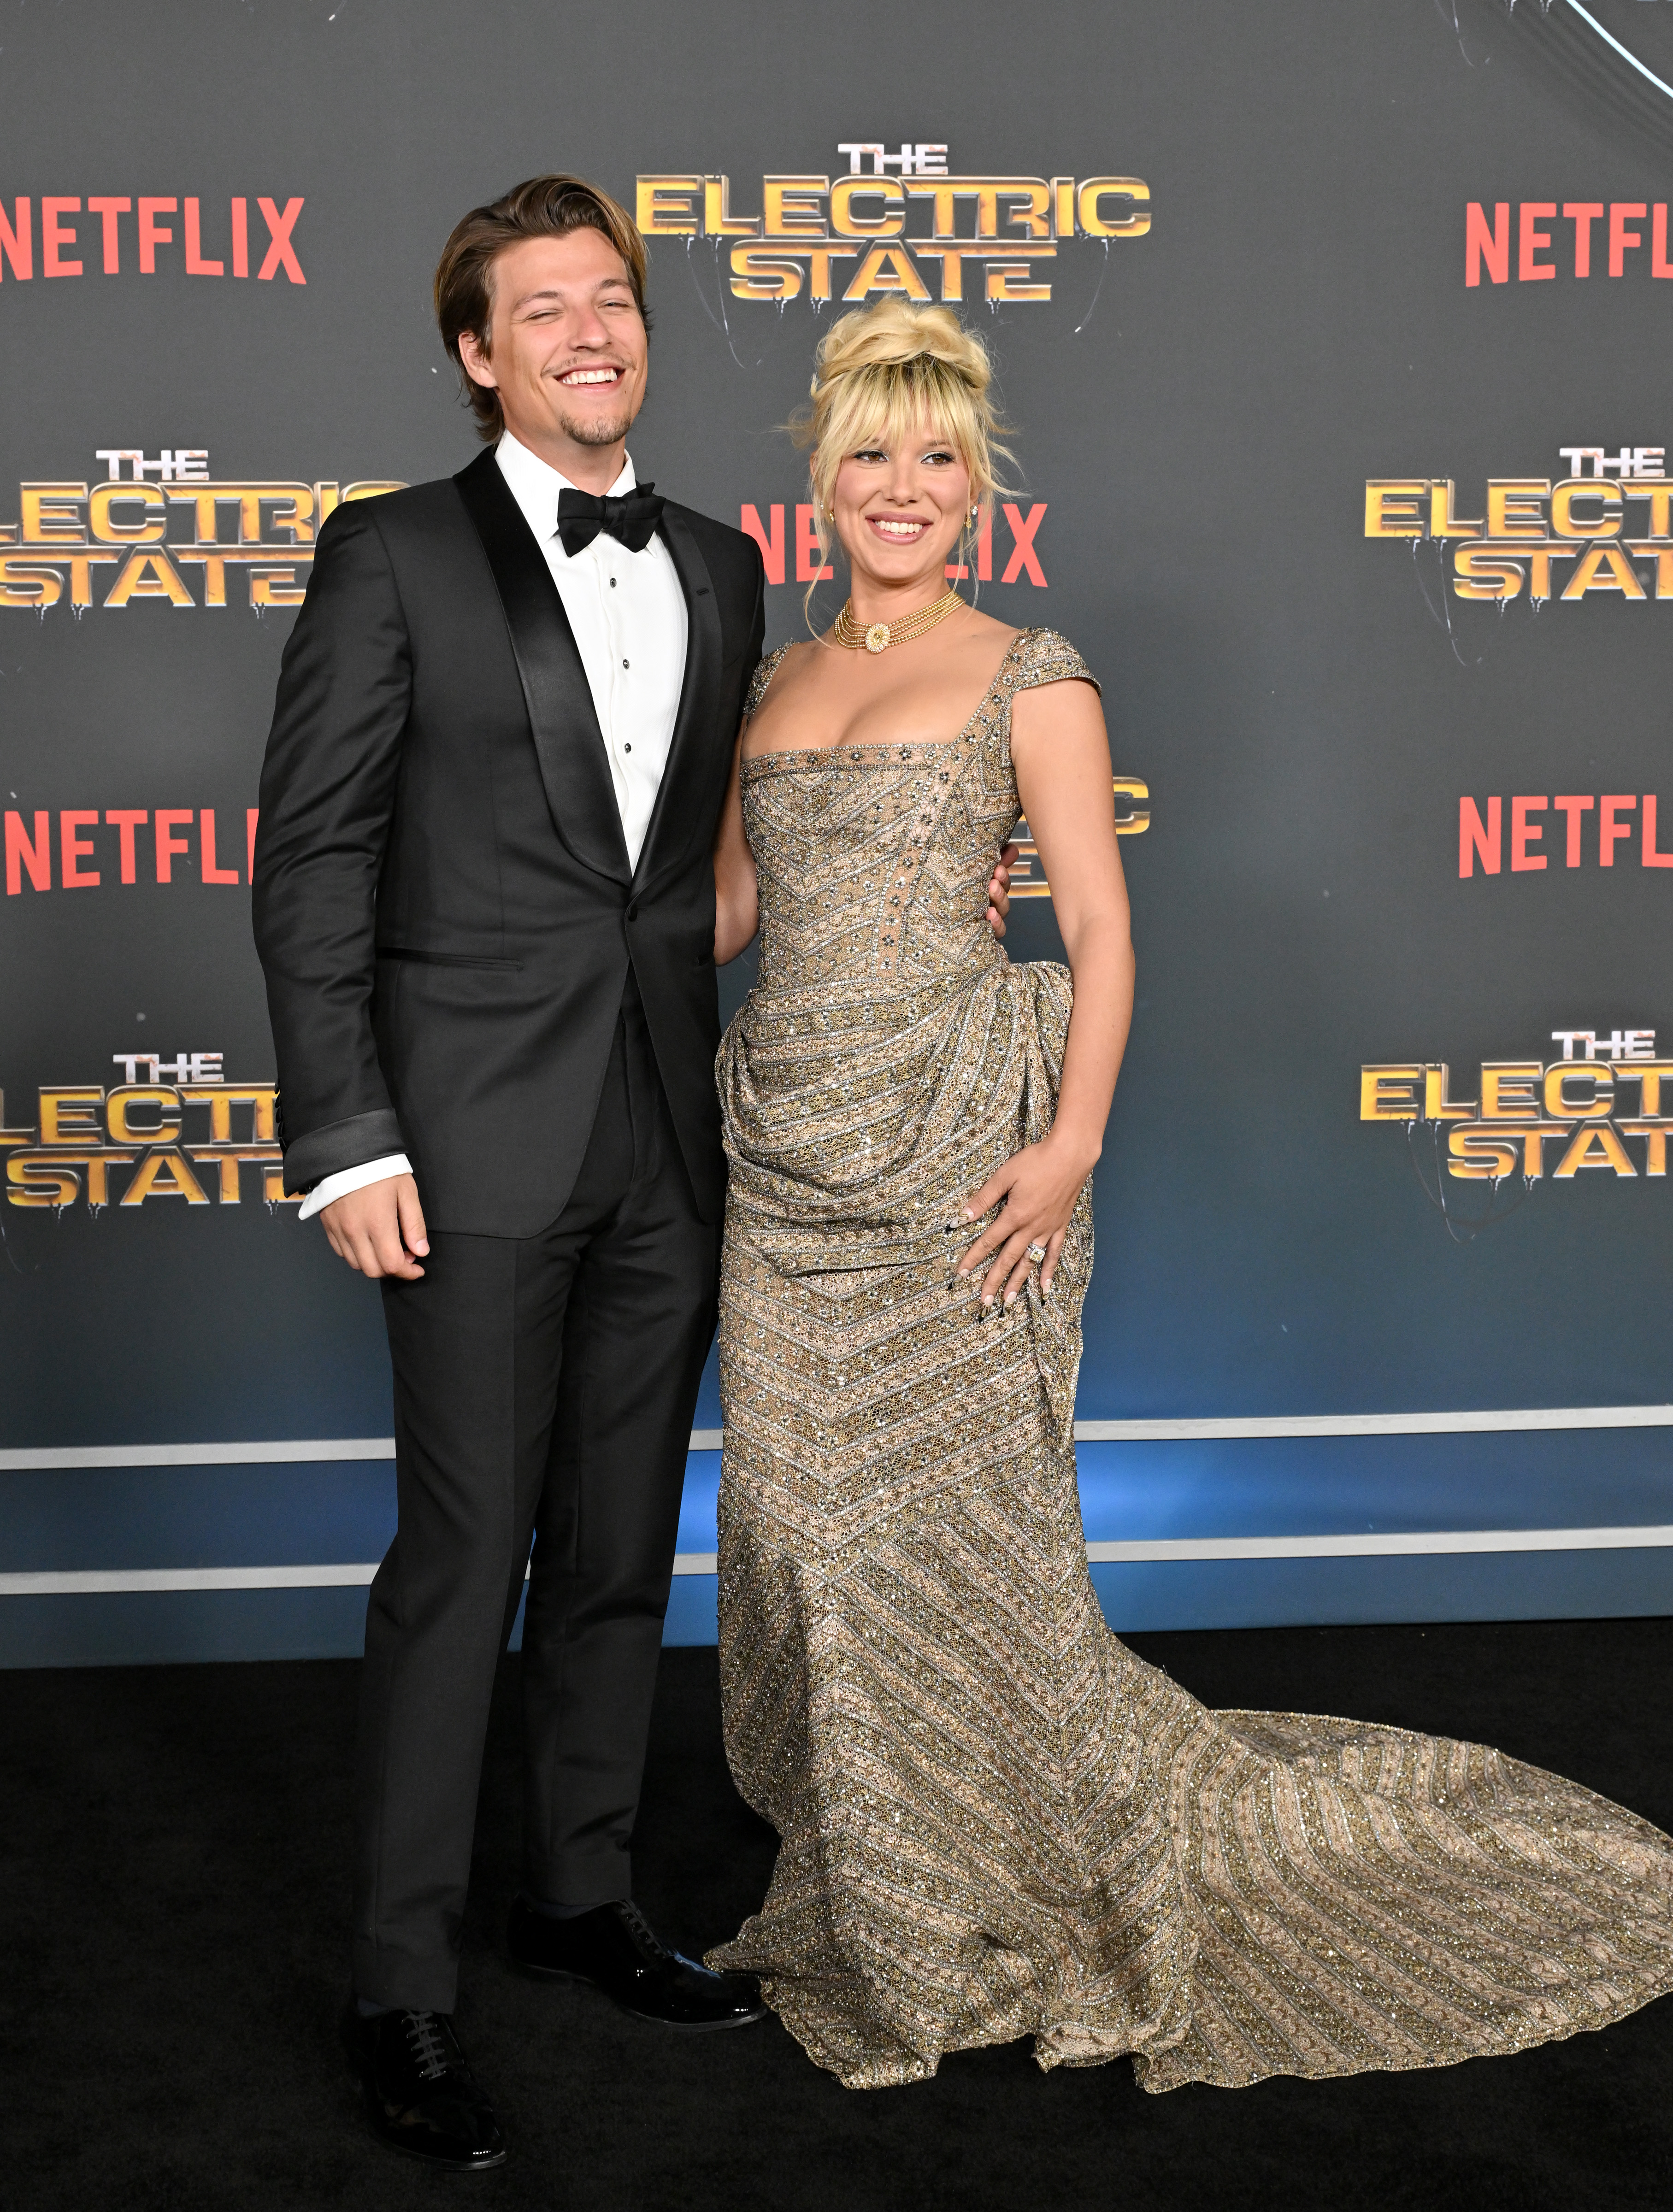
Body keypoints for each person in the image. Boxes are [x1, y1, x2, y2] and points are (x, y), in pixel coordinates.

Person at [702, 299, 1673, 2093]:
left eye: (936, 456)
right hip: (784, 1168)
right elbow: (718, 919)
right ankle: (875, 1870)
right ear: (822, 473)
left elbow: (1097, 923)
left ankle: (972, 1888)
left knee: (949, 1541)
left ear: (977, 484)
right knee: (802, 1543)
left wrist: (1073, 1136)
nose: (900, 487)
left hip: (959, 1155)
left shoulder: (1036, 672)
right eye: (870, 451)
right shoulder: (772, 685)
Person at [255, 175, 1017, 2171]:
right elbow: (316, 858)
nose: (593, 332)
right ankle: (401, 1993)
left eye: (617, 298)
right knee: (458, 1566)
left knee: (611, 1556)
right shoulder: (389, 556)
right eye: (545, 308)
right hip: (463, 1144)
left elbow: (714, 865)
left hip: (674, 1138)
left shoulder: (723, 564)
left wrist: (950, 876)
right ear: (477, 353)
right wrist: (343, 1136)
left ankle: (577, 1895)